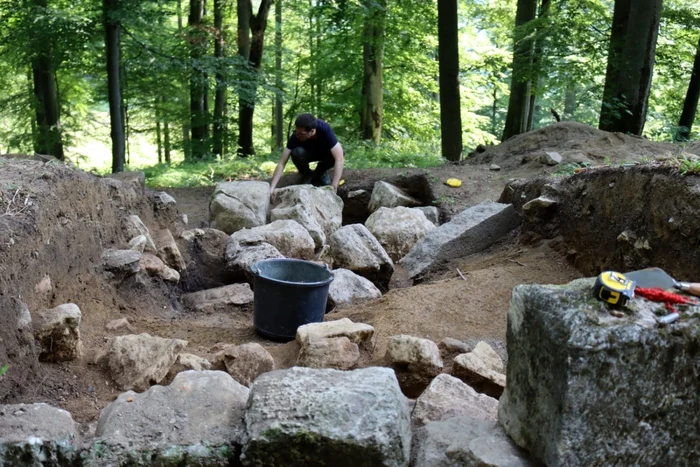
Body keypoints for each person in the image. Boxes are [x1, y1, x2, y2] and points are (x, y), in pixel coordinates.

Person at [269, 113, 344, 193]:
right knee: (296, 152)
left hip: (324, 154)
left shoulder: (324, 129)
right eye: (296, 132)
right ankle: (307, 174)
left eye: (301, 134)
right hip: (306, 154)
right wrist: (272, 188)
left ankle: (321, 171)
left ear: (312, 131)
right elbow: (281, 163)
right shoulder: (295, 136)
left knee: (340, 152)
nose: (297, 135)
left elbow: (339, 158)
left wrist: (334, 187)